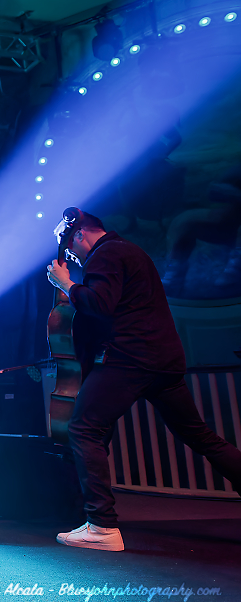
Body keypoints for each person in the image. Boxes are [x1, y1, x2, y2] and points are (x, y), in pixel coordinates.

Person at [46, 208, 241, 551]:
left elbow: (99, 305)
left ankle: (102, 527)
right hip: (162, 360)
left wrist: (67, 284)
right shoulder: (128, 251)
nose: (70, 254)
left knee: (84, 428)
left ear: (80, 234)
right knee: (200, 436)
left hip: (130, 360)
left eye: (69, 244)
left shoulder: (107, 255)